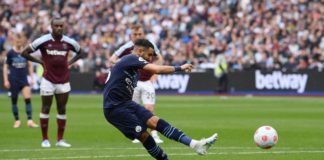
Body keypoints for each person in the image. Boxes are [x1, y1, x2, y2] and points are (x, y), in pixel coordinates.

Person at [103, 39, 218, 160]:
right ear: (140, 51)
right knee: (144, 135)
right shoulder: (131, 58)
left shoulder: (134, 69)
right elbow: (157, 69)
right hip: (114, 108)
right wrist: (180, 68)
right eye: (149, 54)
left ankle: (195, 144)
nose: (151, 58)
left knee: (156, 122)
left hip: (126, 104)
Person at [21, 17, 83, 148]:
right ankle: (45, 139)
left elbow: (81, 52)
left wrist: (69, 63)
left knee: (62, 109)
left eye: (61, 26)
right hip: (48, 80)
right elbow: (24, 52)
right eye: (56, 26)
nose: (59, 28)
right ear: (51, 26)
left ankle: (60, 140)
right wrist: (40, 62)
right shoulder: (43, 40)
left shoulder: (69, 42)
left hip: (64, 81)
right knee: (46, 108)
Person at [110, 24, 164, 143]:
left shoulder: (150, 45)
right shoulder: (126, 47)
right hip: (132, 83)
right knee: (133, 109)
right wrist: (124, 62)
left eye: (140, 34)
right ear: (131, 35)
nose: (137, 36)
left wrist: (155, 73)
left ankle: (154, 134)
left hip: (147, 81)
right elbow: (112, 59)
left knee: (149, 108)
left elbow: (159, 58)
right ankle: (138, 133)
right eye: (135, 34)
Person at [2, 32, 39, 128]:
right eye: (17, 41)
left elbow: (30, 65)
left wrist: (31, 78)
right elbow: (6, 67)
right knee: (14, 101)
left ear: (22, 41)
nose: (19, 43)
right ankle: (17, 120)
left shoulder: (25, 52)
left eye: (20, 41)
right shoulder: (10, 53)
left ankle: (30, 121)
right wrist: (6, 80)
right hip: (13, 79)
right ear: (14, 41)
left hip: (23, 79)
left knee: (27, 99)